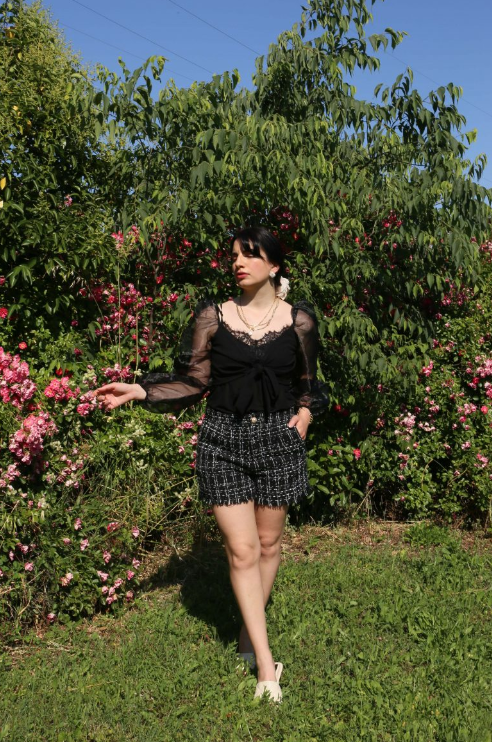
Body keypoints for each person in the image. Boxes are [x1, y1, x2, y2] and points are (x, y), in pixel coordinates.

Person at [96, 226, 324, 703]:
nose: (238, 262)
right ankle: (266, 666)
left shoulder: (299, 321)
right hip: (223, 440)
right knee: (242, 551)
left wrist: (304, 414)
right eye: (235, 255)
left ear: (274, 266)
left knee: (268, 544)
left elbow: (308, 382)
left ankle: (246, 635)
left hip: (278, 439)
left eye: (250, 255)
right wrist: (140, 389)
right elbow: (193, 381)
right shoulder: (212, 317)